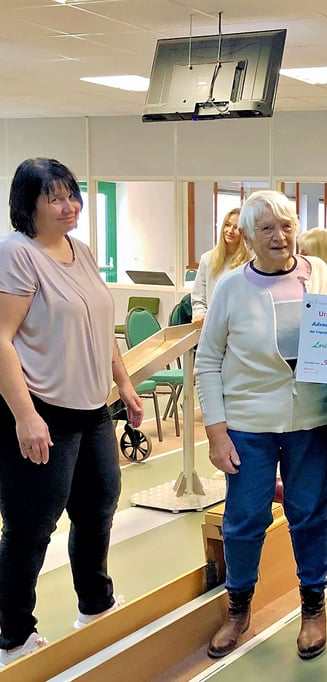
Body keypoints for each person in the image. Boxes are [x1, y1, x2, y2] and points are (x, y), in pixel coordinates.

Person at [0, 158, 144, 666]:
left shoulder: (80, 251)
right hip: (42, 408)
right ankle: (13, 635)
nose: (70, 207)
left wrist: (124, 384)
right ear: (29, 205)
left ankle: (95, 604)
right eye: (55, 198)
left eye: (72, 195)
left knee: (99, 506)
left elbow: (101, 327)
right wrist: (25, 416)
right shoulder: (17, 253)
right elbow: (1, 339)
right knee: (32, 526)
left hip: (91, 408)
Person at [196, 190, 327, 661]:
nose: (279, 236)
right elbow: (207, 361)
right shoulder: (230, 287)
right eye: (267, 228)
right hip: (247, 423)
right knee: (244, 520)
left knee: (310, 515)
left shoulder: (320, 274)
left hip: (311, 420)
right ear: (248, 237)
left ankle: (313, 606)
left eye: (287, 226)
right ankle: (238, 608)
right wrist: (216, 432)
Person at [191, 208, 248, 324]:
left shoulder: (251, 261)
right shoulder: (207, 259)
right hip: (213, 325)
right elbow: (198, 299)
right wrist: (200, 314)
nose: (230, 231)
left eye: (236, 227)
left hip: (241, 325)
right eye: (227, 225)